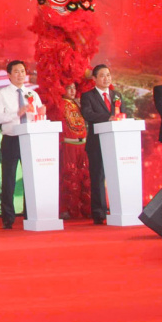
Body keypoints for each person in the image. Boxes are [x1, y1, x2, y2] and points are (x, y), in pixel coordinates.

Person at [0, 60, 43, 229]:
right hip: (11, 139)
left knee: (31, 178)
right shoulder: (2, 94)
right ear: (9, 75)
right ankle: (8, 218)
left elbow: (37, 115)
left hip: (30, 138)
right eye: (16, 71)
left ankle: (31, 214)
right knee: (9, 179)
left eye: (22, 71)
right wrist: (17, 113)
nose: (20, 74)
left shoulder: (32, 94)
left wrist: (41, 113)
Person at [79, 64, 118, 225]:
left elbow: (122, 113)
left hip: (115, 142)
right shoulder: (88, 96)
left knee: (116, 175)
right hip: (96, 143)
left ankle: (117, 209)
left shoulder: (116, 95)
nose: (106, 78)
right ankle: (99, 213)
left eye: (108, 75)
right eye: (102, 75)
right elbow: (88, 114)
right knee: (98, 177)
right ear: (94, 79)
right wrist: (108, 118)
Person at [59, 82, 89, 219]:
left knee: (83, 176)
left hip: (82, 145)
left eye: (74, 88)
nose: (72, 91)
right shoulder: (60, 104)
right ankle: (66, 208)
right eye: (68, 88)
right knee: (69, 176)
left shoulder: (78, 103)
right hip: (69, 145)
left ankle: (84, 207)